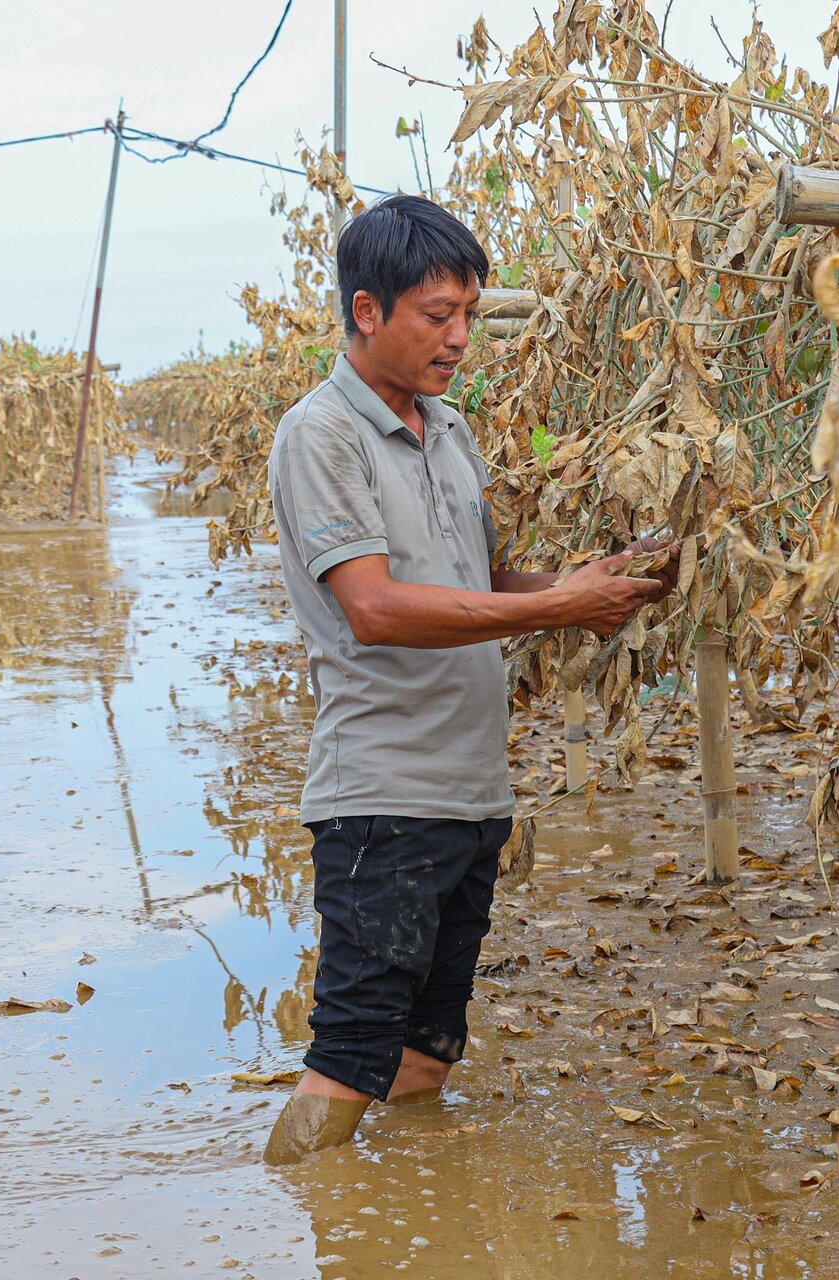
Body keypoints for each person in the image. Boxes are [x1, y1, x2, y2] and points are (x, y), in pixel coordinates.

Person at [262, 194, 676, 1164]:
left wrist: (596, 585)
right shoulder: (322, 433)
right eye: (437, 315)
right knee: (350, 1049)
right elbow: (376, 606)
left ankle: (394, 1222)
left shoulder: (449, 432)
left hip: (470, 796)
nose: (460, 338)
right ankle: (290, 1217)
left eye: (469, 316)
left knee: (424, 1054)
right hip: (382, 797)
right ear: (368, 311)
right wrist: (554, 607)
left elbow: (479, 586)